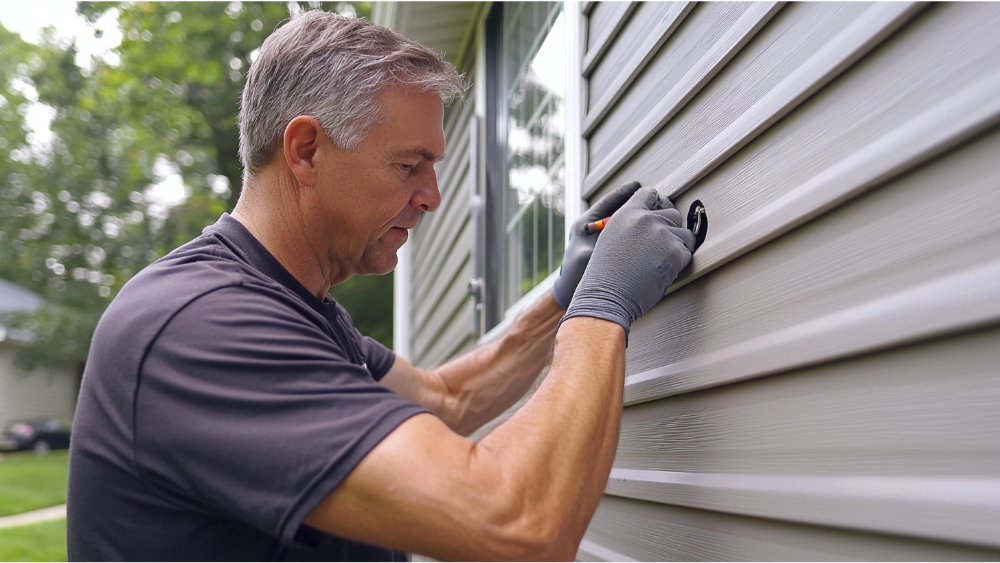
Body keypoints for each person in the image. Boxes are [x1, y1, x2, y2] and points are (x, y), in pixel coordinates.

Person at [67, 11, 694, 563]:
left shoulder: (297, 310)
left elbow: (448, 399)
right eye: (406, 164)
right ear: (307, 150)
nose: (431, 196)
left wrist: (563, 295)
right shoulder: (200, 325)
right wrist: (603, 308)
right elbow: (517, 526)